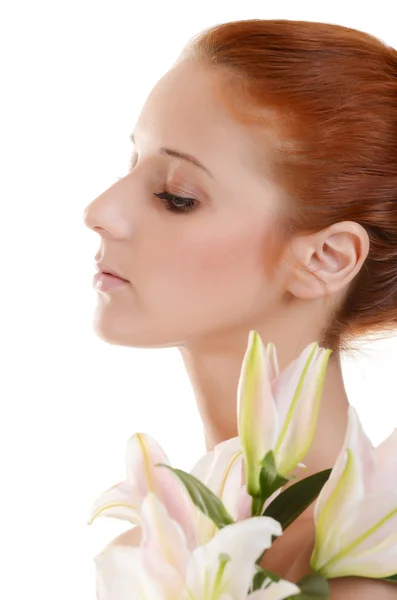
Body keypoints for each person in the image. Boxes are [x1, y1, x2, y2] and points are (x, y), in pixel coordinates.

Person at [83, 19, 397, 598]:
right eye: (131, 165)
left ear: (326, 258)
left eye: (176, 197)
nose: (99, 210)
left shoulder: (364, 582)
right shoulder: (143, 554)